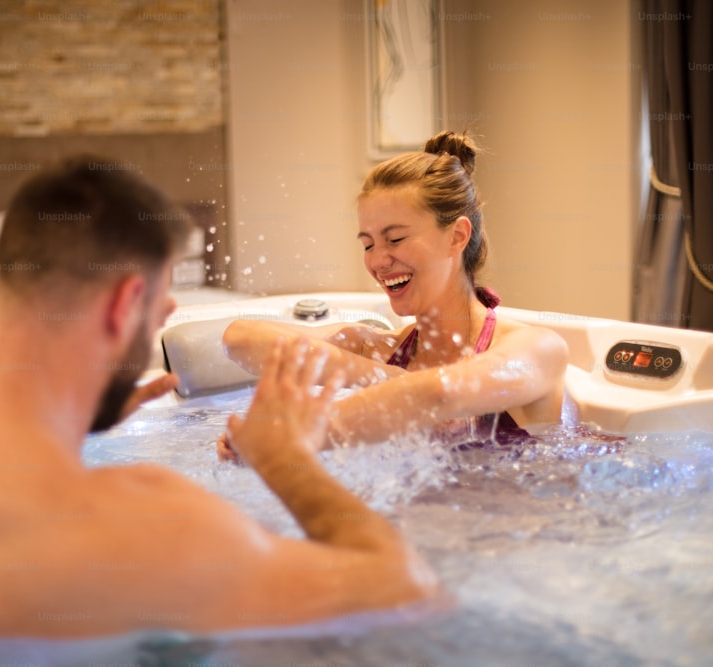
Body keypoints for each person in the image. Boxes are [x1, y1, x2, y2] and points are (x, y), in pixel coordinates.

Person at [0, 156, 436, 638]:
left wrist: (68, 422)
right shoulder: (142, 525)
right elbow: (405, 590)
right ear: (122, 306)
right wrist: (287, 459)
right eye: (160, 308)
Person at [218, 131, 568, 461]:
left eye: (395, 239)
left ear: (457, 237)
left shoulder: (537, 348)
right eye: (368, 244)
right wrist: (381, 376)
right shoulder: (383, 351)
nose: (378, 261)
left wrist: (289, 438)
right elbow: (240, 340)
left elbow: (444, 393)